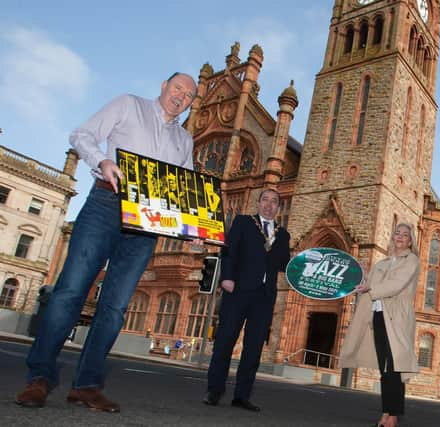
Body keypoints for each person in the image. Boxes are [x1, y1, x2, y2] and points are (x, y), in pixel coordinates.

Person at [15, 72, 197, 412]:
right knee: (70, 292)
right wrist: (102, 161)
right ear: (163, 87)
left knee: (115, 308)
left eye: (188, 95)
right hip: (106, 203)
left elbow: (183, 188)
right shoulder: (129, 105)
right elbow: (81, 134)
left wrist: (193, 224)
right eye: (177, 88)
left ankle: (86, 386)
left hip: (145, 222)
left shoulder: (185, 140)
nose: (180, 97)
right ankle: (39, 378)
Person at [203, 188, 290, 412]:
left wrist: (304, 266)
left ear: (278, 208)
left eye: (274, 202)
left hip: (264, 297)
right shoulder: (243, 222)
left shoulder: (283, 235)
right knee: (225, 341)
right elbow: (229, 251)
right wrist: (227, 278)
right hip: (238, 290)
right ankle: (214, 391)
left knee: (253, 348)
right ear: (258, 203)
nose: (269, 205)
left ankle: (242, 395)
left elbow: (284, 265)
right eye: (265, 200)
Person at [339, 223, 420, 427]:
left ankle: (393, 415)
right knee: (385, 368)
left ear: (410, 241)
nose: (400, 237)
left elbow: (396, 285)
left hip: (397, 318)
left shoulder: (411, 261)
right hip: (378, 316)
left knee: (395, 366)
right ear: (392, 238)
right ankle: (386, 412)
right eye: (397, 233)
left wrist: (370, 287)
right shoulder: (383, 263)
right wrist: (363, 280)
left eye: (405, 235)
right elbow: (370, 285)